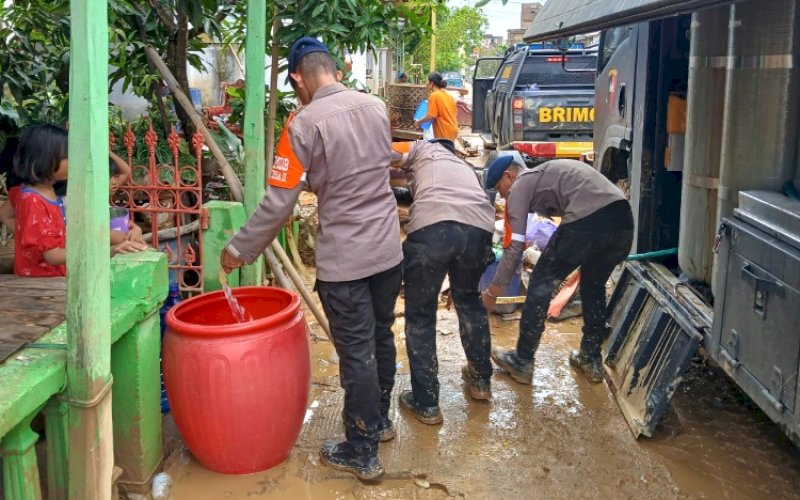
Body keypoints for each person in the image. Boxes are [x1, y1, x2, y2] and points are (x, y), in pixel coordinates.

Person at [219, 37, 402, 481]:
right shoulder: (376, 106)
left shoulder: (302, 124)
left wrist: (238, 250)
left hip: (346, 260)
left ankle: (360, 450)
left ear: (299, 78)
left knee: (356, 352)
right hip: (388, 250)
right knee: (380, 336)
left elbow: (279, 203)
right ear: (336, 70)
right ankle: (378, 422)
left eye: (294, 85)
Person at [481, 157, 633, 384]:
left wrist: (493, 291)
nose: (502, 197)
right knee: (593, 285)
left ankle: (522, 360)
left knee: (540, 283)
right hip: (622, 222)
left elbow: (514, 247)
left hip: (588, 220)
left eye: (500, 189)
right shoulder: (546, 175)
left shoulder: (522, 183)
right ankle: (590, 359)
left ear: (508, 176)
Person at [390, 139, 496, 425]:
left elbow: (387, 155)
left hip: (433, 229)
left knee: (421, 316)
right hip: (479, 231)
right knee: (469, 302)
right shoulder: (463, 167)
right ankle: (481, 381)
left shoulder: (424, 148)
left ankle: (426, 403)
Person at [8, 124, 146, 277]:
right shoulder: (34, 200)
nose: (74, 161)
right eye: (68, 156)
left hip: (52, 274)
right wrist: (107, 251)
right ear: (46, 158)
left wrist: (32, 237)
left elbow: (6, 215)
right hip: (43, 282)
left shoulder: (27, 191)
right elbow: (53, 256)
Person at [414, 72, 458, 141]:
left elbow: (430, 116)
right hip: (453, 129)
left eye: (427, 81)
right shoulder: (448, 95)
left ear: (431, 83)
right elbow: (455, 112)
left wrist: (418, 122)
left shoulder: (434, 96)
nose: (426, 84)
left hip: (444, 132)